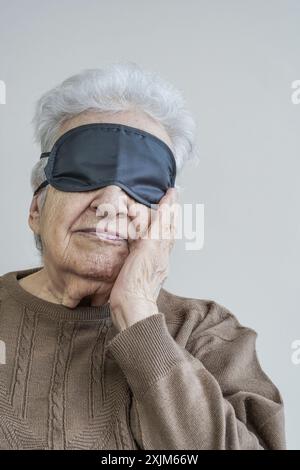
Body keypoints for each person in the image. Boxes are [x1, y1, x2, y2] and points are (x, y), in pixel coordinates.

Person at [0, 62, 286, 450]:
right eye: (84, 173)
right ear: (36, 208)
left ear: (165, 218)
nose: (112, 204)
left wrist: (138, 314)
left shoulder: (209, 335)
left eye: (142, 185)